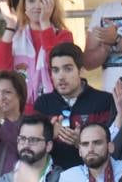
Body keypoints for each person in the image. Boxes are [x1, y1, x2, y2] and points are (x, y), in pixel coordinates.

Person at [0, 0, 74, 109]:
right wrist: (11, 25)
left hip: (54, 110)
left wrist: (45, 23)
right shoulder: (16, 37)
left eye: (43, 1)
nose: (37, 6)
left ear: (52, 5)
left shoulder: (63, 36)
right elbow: (0, 69)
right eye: (31, 0)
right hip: (21, 110)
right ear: (24, 6)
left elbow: (54, 63)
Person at [33, 43, 114, 171]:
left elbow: (113, 145)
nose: (61, 76)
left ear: (81, 70)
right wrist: (49, 135)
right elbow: (32, 149)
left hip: (93, 175)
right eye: (55, 70)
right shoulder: (43, 104)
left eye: (68, 69)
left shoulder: (104, 101)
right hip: (52, 179)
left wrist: (81, 143)